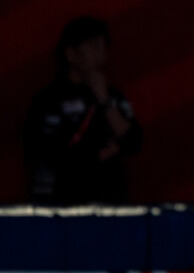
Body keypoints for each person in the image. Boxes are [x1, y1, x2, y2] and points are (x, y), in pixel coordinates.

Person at [23, 16, 142, 204]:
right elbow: (46, 153)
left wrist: (104, 100)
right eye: (93, 47)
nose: (100, 55)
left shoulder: (113, 96)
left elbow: (133, 140)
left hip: (110, 203)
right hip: (63, 204)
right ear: (71, 54)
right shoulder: (48, 99)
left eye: (103, 47)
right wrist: (100, 154)